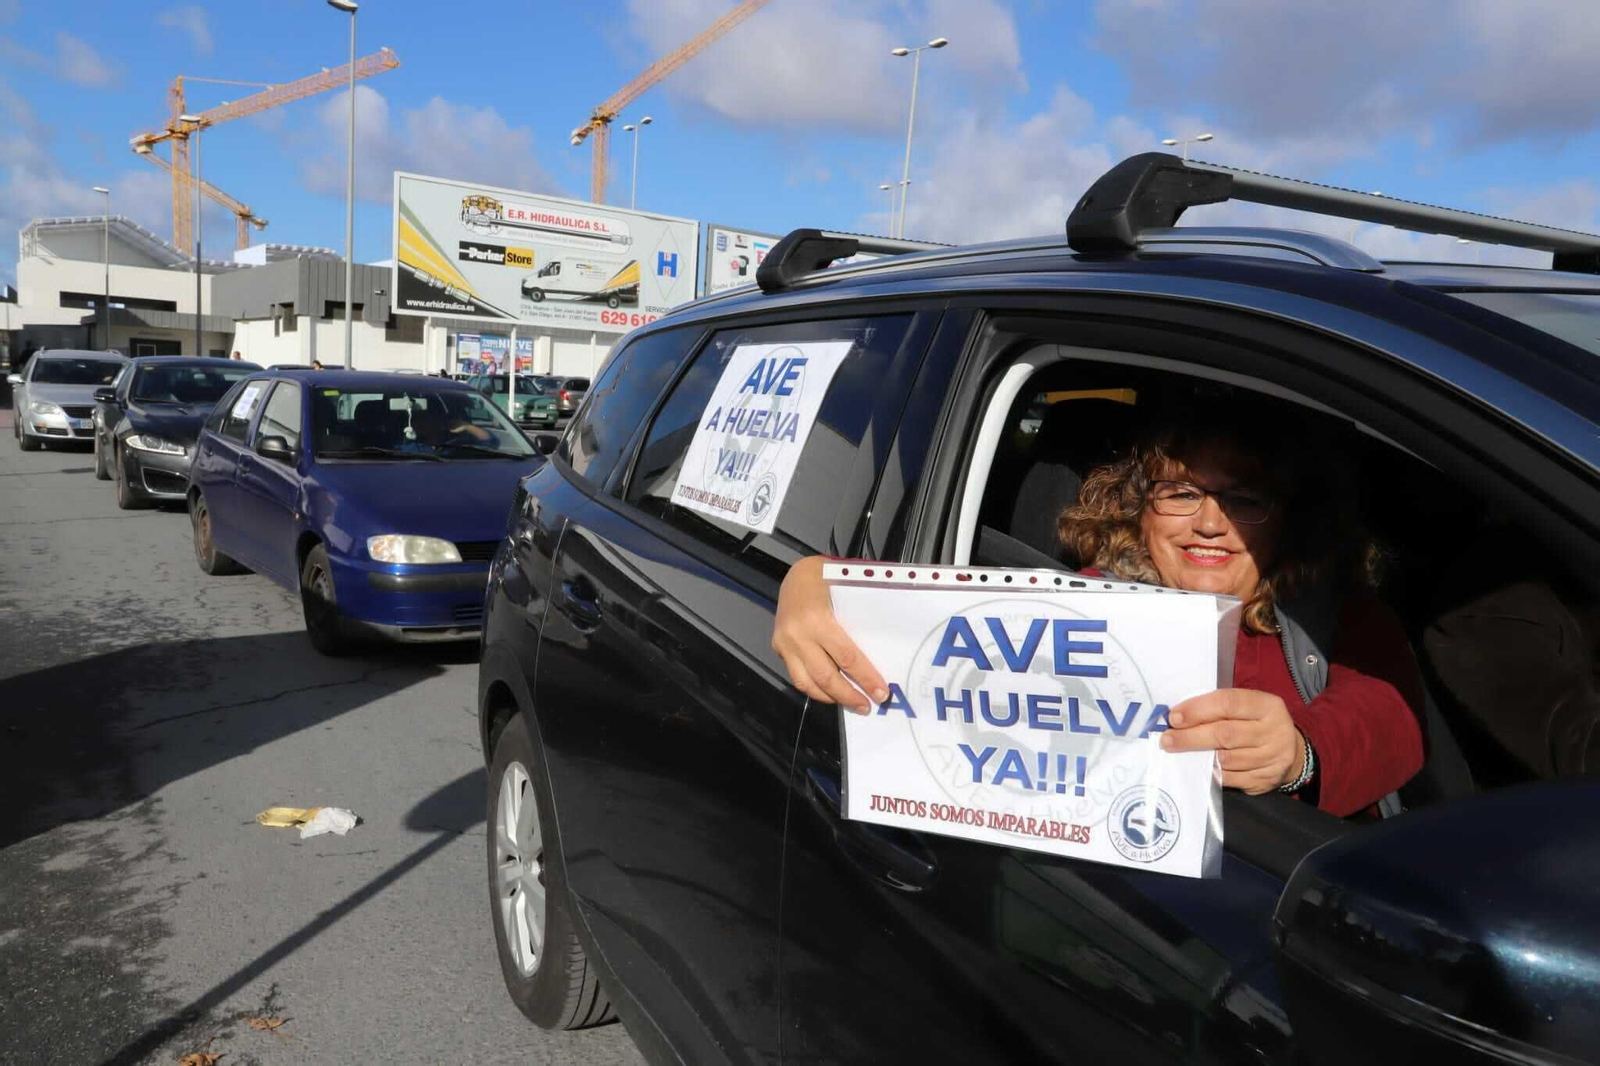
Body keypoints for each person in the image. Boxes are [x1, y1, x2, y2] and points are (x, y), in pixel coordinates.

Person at [771, 395, 1425, 817]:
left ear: (1287, 519)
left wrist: (1298, 754)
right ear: (1141, 510)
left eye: (1245, 501)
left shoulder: (1338, 617)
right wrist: (813, 581)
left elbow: (1389, 719)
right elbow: (950, 627)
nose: (1209, 524)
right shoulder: (1085, 602)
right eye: (1180, 493)